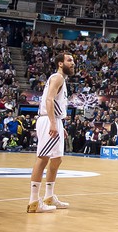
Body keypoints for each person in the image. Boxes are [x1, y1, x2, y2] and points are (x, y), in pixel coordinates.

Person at [27, 53, 75, 213]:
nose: (73, 63)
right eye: (69, 60)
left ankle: (49, 196)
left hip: (55, 120)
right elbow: (49, 100)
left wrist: (60, 125)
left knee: (56, 160)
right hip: (48, 120)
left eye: (73, 61)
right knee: (42, 159)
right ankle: (34, 201)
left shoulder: (62, 79)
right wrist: (53, 123)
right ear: (60, 64)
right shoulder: (57, 78)